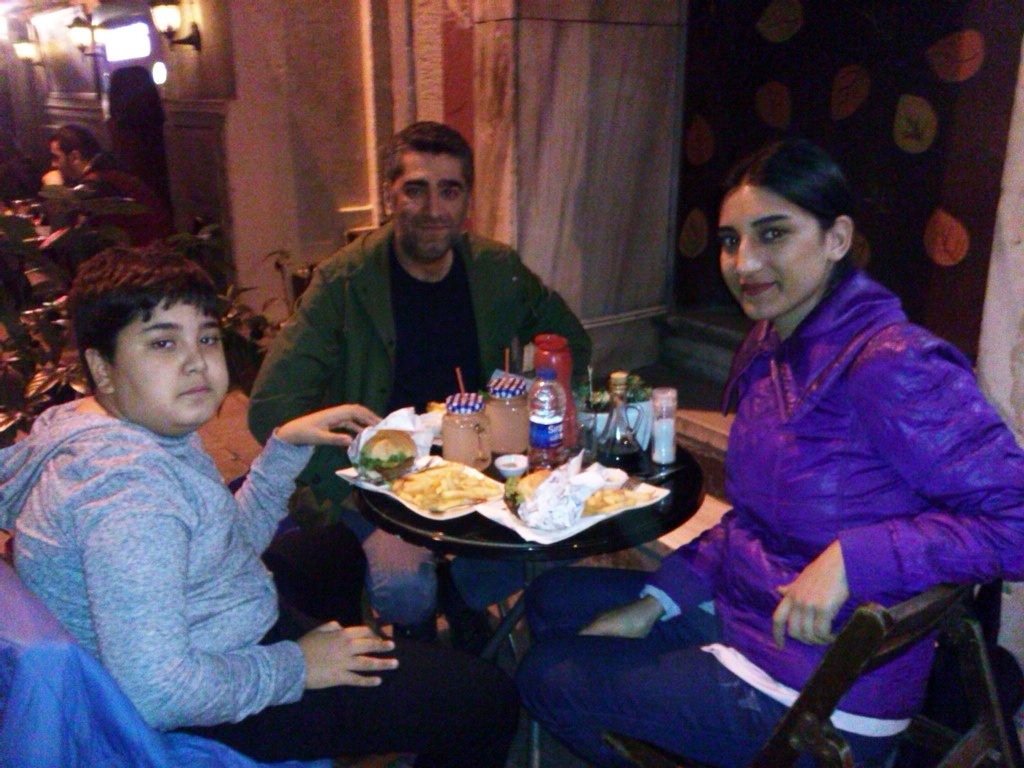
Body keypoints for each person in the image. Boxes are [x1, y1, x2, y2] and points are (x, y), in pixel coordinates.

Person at [514, 138, 1024, 767]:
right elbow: (752, 520)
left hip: (825, 689)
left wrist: (854, 558)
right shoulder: (772, 347)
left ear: (837, 239)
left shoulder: (894, 364)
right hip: (753, 613)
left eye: (773, 234)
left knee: (547, 675)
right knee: (550, 599)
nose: (744, 263)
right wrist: (657, 602)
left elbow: (1017, 522)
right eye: (730, 240)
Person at [0, 247, 518, 766]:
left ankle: (348, 715)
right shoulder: (129, 496)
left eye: (206, 337)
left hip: (205, 621)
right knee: (485, 699)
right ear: (102, 367)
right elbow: (159, 693)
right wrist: (297, 668)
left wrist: (284, 449)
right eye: (162, 342)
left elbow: (217, 543)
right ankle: (343, 702)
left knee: (335, 549)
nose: (196, 362)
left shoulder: (102, 425)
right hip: (208, 697)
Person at [248, 120, 592, 645]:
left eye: (449, 191)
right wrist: (353, 467)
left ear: (468, 200)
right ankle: (424, 653)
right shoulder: (343, 284)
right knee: (405, 586)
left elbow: (568, 342)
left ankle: (460, 601)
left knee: (561, 536)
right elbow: (271, 408)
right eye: (416, 189)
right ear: (390, 195)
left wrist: (525, 402)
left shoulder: (496, 270)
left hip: (480, 469)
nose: (434, 209)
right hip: (383, 484)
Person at [48, 124, 174, 245]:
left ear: (74, 157)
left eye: (56, 157)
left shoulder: (96, 185)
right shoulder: (112, 171)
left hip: (142, 256)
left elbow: (61, 240)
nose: (53, 165)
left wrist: (55, 189)